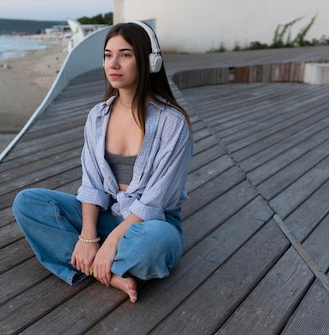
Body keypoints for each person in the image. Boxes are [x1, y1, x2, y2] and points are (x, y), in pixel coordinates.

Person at [12, 21, 193, 302]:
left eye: (125, 54)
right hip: (106, 214)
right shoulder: (97, 116)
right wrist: (88, 236)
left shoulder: (172, 122)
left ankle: (94, 265)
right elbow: (92, 184)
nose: (114, 63)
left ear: (150, 61)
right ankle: (105, 269)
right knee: (27, 203)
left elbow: (155, 201)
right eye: (108, 55)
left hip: (151, 223)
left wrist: (111, 242)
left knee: (151, 245)